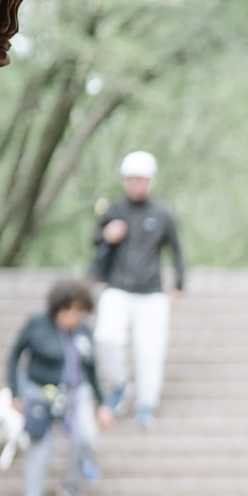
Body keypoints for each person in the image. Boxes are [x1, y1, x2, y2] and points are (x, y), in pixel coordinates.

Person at [3, 278, 113, 496]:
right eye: (69, 310)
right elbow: (14, 356)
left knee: (86, 437)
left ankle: (71, 484)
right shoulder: (37, 324)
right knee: (40, 448)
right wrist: (15, 392)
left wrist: (103, 403)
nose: (73, 317)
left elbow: (91, 368)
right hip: (40, 392)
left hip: (75, 392)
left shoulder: (83, 331)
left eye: (79, 311)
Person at [89, 149, 185, 425]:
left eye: (141, 179)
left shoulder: (161, 213)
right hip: (117, 286)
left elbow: (176, 249)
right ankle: (119, 383)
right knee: (106, 337)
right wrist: (107, 235)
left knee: (150, 350)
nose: (136, 184)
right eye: (131, 179)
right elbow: (95, 240)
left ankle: (147, 402)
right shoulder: (114, 210)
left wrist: (179, 283)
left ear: (150, 181)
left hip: (151, 291)